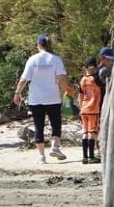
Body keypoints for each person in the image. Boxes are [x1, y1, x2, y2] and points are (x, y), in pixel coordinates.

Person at [13, 34, 73, 163]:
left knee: (38, 126)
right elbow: (62, 78)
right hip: (53, 97)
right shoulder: (55, 59)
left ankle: (41, 156)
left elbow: (24, 79)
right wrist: (67, 90)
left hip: (36, 99)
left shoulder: (32, 59)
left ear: (38, 45)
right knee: (56, 124)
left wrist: (17, 92)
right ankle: (54, 147)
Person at [77, 57, 102, 164]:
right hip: (93, 109)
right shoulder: (96, 79)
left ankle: (84, 157)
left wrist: (80, 108)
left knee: (85, 132)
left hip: (84, 108)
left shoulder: (82, 80)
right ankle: (91, 156)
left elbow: (80, 96)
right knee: (92, 132)